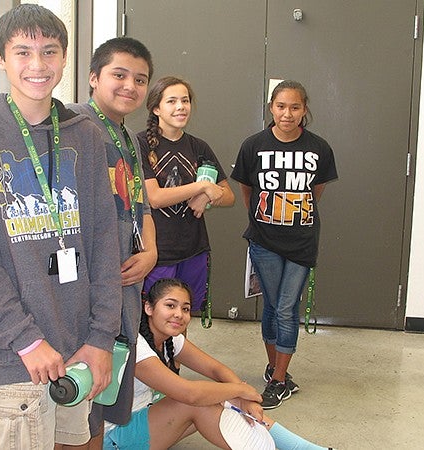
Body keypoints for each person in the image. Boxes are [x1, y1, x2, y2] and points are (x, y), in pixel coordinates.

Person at [0, 5, 122, 448]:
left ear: (64, 60)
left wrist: (101, 338)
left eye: (49, 51)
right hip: (12, 356)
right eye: (22, 52)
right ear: (0, 59)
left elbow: (103, 239)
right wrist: (25, 340)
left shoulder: (85, 135)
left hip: (78, 347)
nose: (37, 65)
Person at [102, 278, 332, 449]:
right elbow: (189, 394)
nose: (179, 314)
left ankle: (301, 448)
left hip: (144, 415)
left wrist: (242, 398)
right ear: (149, 308)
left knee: (216, 396)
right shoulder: (136, 345)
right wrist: (241, 389)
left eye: (185, 308)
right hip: (114, 438)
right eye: (170, 306)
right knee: (195, 401)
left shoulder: (170, 339)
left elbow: (216, 369)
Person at [67, 37, 158, 446]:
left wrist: (151, 251)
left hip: (125, 284)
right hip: (88, 293)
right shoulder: (74, 127)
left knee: (105, 399)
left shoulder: (130, 139)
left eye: (140, 79)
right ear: (93, 78)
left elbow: (141, 204)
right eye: (119, 75)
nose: (130, 86)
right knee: (77, 404)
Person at [230, 80, 338, 409]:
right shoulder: (253, 146)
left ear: (305, 110)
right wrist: (265, 217)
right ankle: (275, 367)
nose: (287, 114)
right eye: (280, 107)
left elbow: (314, 193)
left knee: (287, 309)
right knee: (273, 308)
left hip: (302, 242)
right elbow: (248, 192)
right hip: (264, 240)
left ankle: (279, 381)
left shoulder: (319, 148)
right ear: (271, 108)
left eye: (294, 107)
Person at [137, 76, 235, 314]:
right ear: (156, 108)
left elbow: (229, 196)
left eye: (185, 100)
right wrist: (202, 187)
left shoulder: (198, 146)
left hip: (194, 249)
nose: (181, 107)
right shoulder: (140, 144)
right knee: (154, 319)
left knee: (181, 318)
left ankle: (178, 353)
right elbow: (156, 198)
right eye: (171, 101)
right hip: (158, 252)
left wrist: (209, 197)